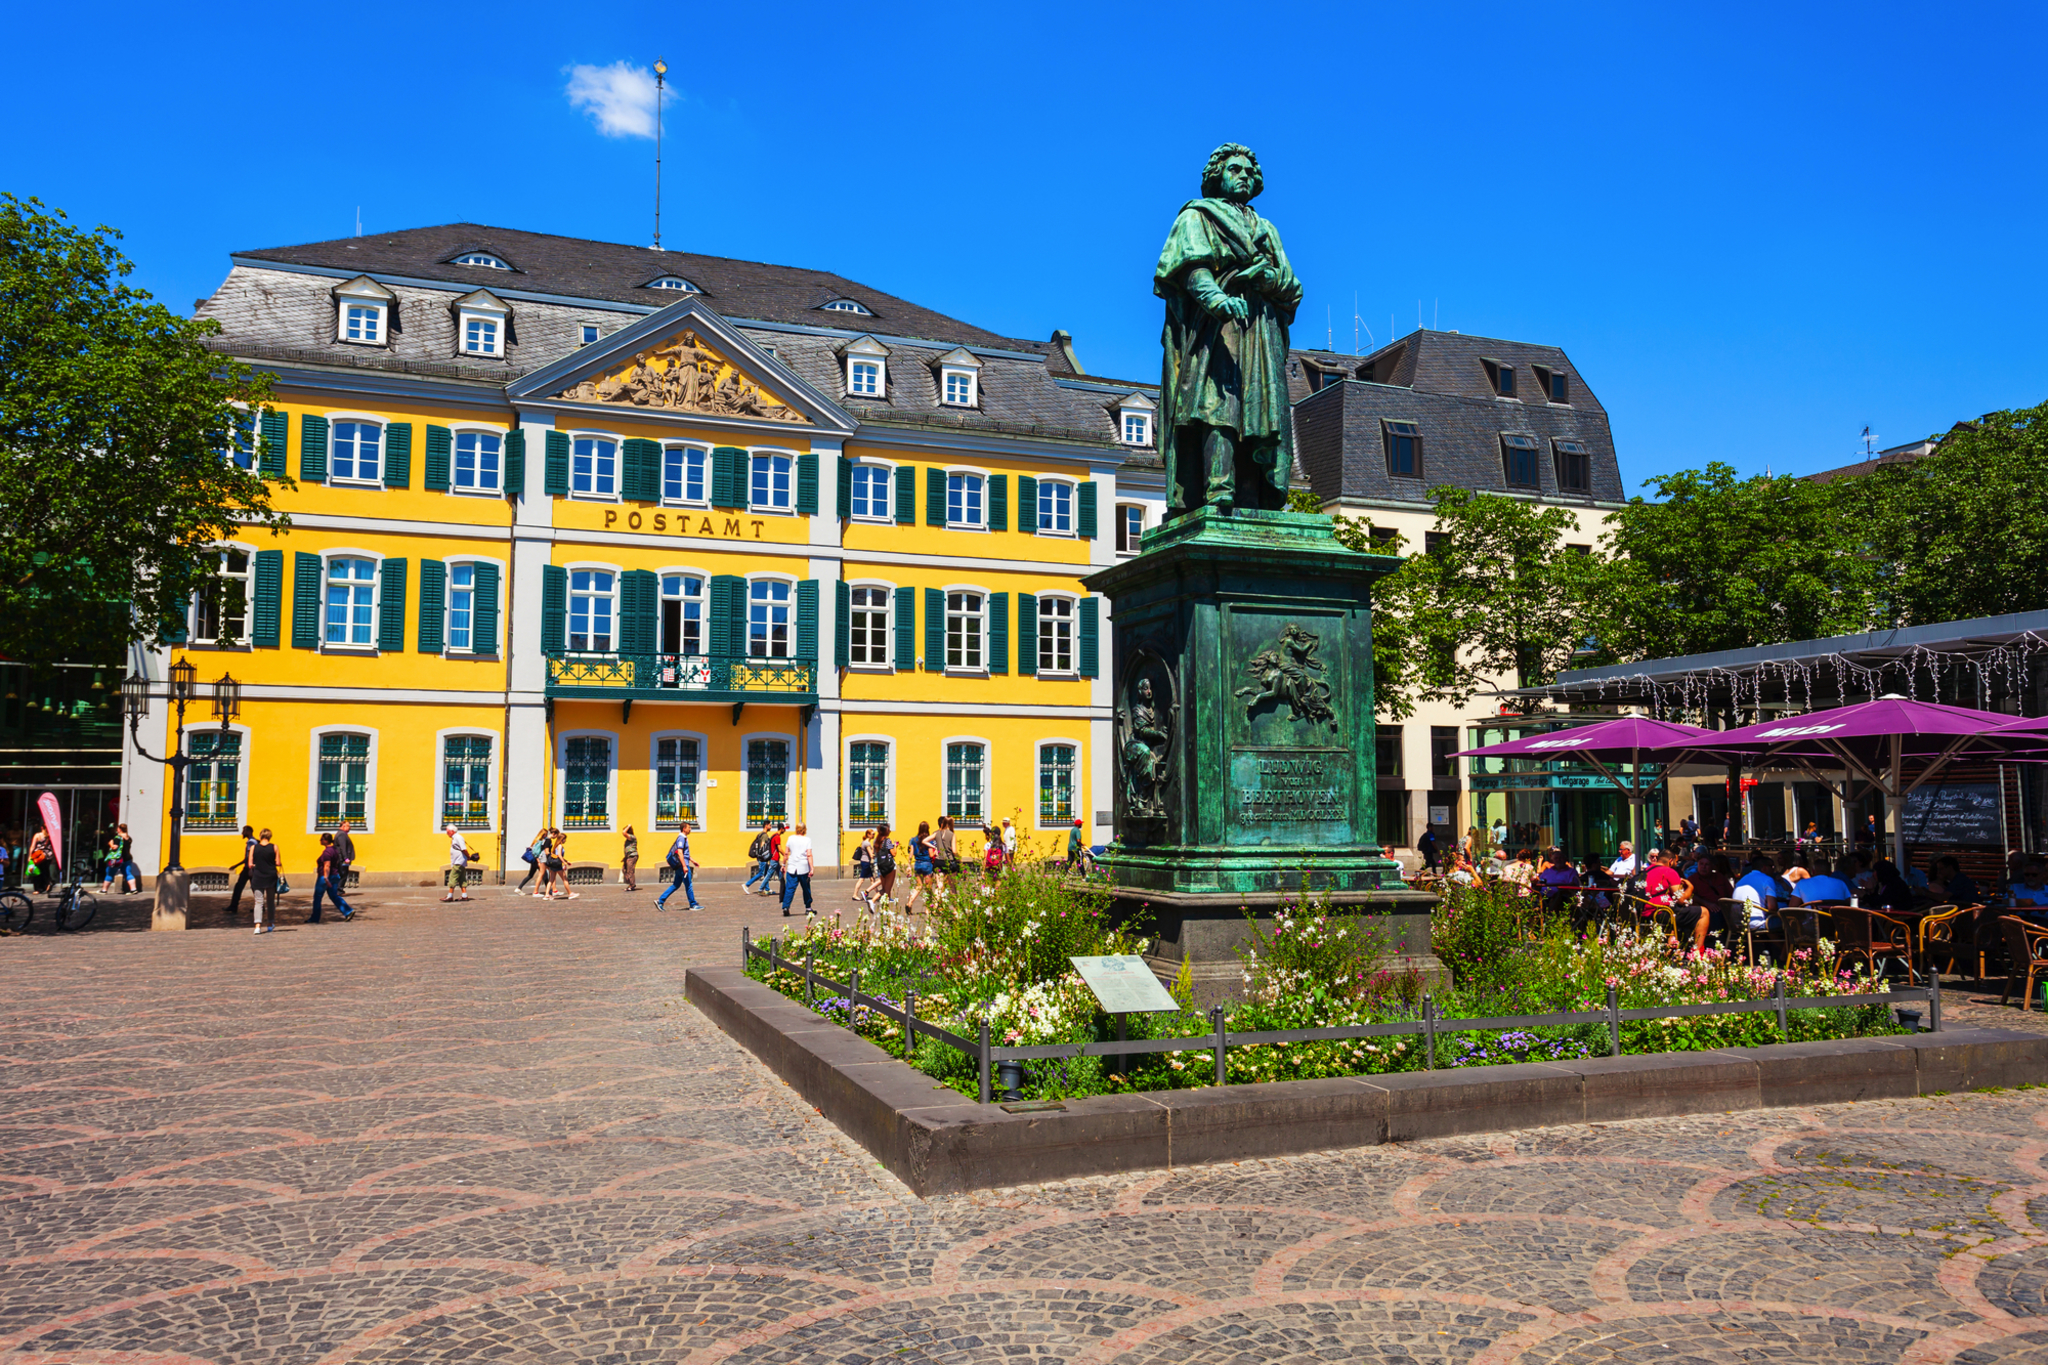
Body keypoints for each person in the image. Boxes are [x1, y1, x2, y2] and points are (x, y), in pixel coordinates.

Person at [656, 821, 700, 910]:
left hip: (681, 865)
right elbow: (680, 853)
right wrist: (684, 866)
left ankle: (660, 901)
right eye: (689, 827)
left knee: (676, 885)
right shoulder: (681, 838)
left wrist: (692, 860)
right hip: (682, 866)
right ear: (684, 829)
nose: (690, 829)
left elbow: (684, 853)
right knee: (688, 885)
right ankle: (693, 904)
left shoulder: (683, 838)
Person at [310, 833, 354, 922]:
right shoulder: (334, 850)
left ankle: (315, 918)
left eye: (321, 839)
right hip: (335, 875)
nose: (320, 841)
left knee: (317, 897)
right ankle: (348, 911)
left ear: (325, 841)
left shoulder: (327, 852)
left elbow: (327, 865)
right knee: (334, 896)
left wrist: (326, 878)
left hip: (325, 877)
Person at [780, 822, 816, 916]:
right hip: (803, 867)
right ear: (804, 830)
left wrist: (783, 864)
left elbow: (786, 853)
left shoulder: (790, 838)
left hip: (792, 867)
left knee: (790, 888)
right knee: (806, 888)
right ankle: (808, 907)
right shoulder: (807, 840)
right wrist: (811, 868)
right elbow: (809, 854)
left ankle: (786, 906)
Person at [248, 828, 280, 934]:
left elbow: (250, 864)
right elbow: (278, 863)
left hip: (258, 876)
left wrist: (256, 864)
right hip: (271, 876)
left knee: (258, 901)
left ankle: (257, 926)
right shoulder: (274, 847)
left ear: (260, 836)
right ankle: (270, 924)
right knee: (270, 901)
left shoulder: (253, 847)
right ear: (270, 836)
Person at [226, 824, 257, 919]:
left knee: (239, 887)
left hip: (248, 868)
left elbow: (248, 857)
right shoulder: (253, 841)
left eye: (243, 831)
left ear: (248, 831)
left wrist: (236, 865)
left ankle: (233, 906)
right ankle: (260, 906)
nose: (242, 833)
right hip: (251, 868)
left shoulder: (251, 842)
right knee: (254, 888)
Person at [904, 822, 936, 913]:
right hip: (927, 864)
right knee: (928, 888)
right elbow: (930, 854)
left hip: (917, 864)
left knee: (918, 886)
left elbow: (911, 853)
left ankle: (909, 903)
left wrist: (909, 865)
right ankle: (927, 908)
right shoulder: (929, 840)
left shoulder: (913, 840)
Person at [442, 825, 473, 903]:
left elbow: (463, 849)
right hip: (459, 861)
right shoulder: (455, 838)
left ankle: (450, 896)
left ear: (452, 831)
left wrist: (468, 856)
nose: (447, 833)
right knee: (461, 878)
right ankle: (464, 896)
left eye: (448, 831)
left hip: (459, 861)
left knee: (453, 877)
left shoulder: (458, 837)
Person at [743, 827, 776, 895]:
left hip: (760, 857)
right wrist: (764, 856)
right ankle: (747, 885)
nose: (771, 827)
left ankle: (767, 889)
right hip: (762, 858)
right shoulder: (764, 835)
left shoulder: (760, 834)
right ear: (766, 826)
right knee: (761, 873)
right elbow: (762, 846)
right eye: (770, 825)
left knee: (766, 873)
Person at [873, 822, 899, 906]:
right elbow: (893, 853)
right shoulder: (887, 841)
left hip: (881, 866)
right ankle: (872, 901)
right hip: (889, 866)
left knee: (885, 889)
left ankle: (884, 908)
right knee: (886, 890)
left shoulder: (876, 841)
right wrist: (895, 846)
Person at [851, 829, 878, 907]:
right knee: (861, 879)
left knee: (872, 879)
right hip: (866, 863)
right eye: (872, 834)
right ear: (868, 834)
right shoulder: (867, 843)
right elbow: (871, 855)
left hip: (865, 862)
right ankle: (855, 895)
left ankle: (877, 893)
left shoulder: (864, 842)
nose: (874, 835)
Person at [935, 816, 960, 883]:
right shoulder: (952, 834)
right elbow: (954, 851)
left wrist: (935, 847)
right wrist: (958, 859)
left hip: (938, 860)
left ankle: (937, 894)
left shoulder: (937, 833)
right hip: (949, 861)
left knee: (939, 886)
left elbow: (925, 841)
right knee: (952, 885)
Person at [621, 825, 639, 892]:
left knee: (630, 871)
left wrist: (628, 826)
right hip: (628, 856)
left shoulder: (632, 837)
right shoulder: (629, 838)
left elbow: (624, 832)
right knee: (624, 870)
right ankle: (630, 883)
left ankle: (632, 885)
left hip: (632, 856)